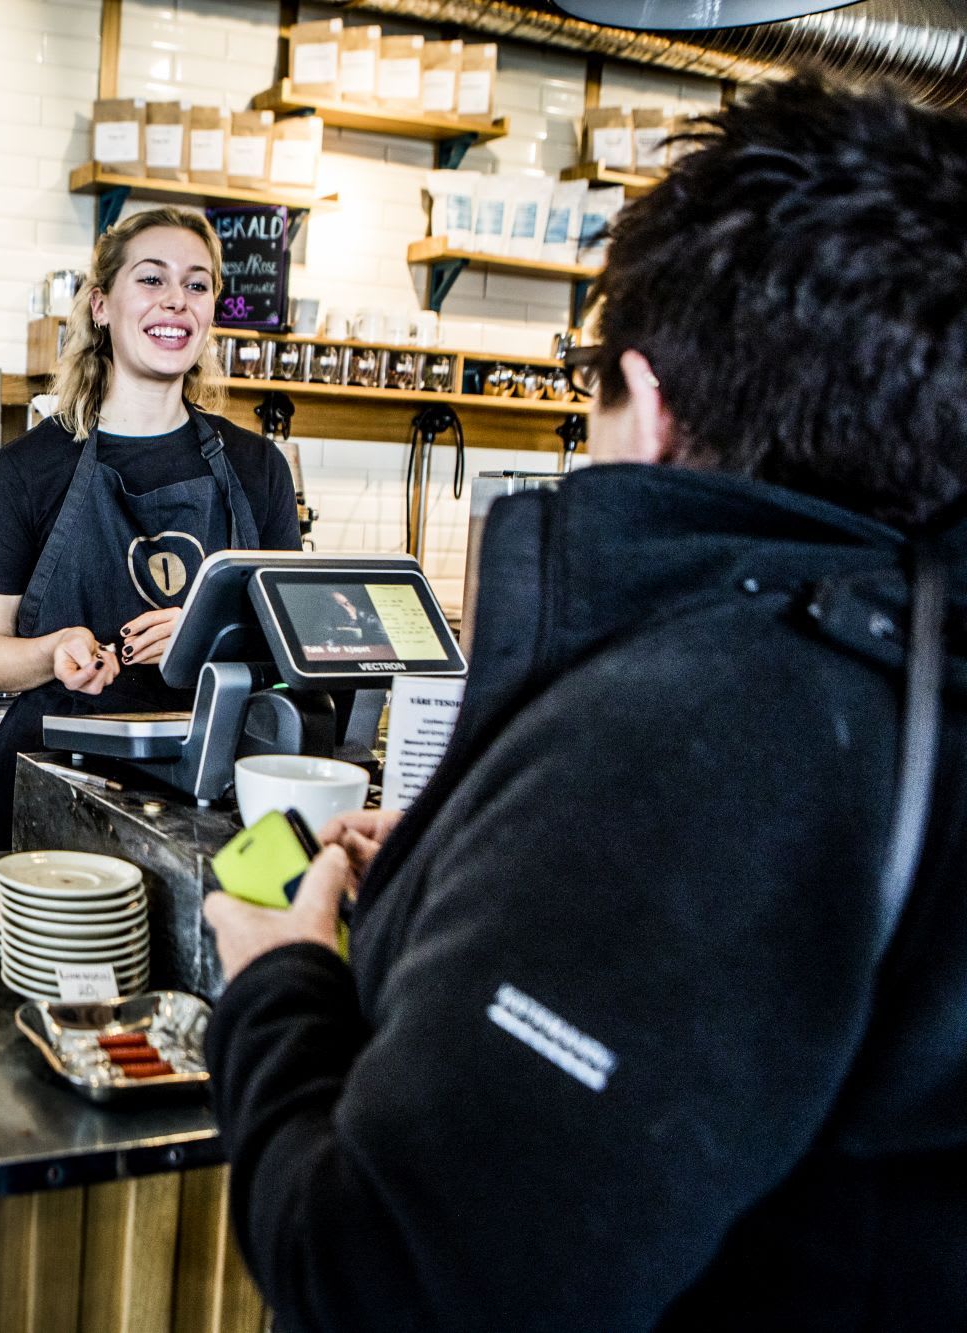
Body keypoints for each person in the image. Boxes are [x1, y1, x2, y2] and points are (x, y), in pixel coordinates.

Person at [201, 76, 967, 1331]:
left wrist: (276, 974)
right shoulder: (904, 681)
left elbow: (383, 1281)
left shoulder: (701, 724)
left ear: (647, 404)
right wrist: (489, 882)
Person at [0, 207, 304, 850]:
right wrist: (51, 652)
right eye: (151, 279)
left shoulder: (259, 469)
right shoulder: (26, 470)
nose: (176, 300)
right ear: (101, 306)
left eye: (196, 285)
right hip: (51, 778)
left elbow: (300, 647)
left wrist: (211, 634)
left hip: (209, 784)